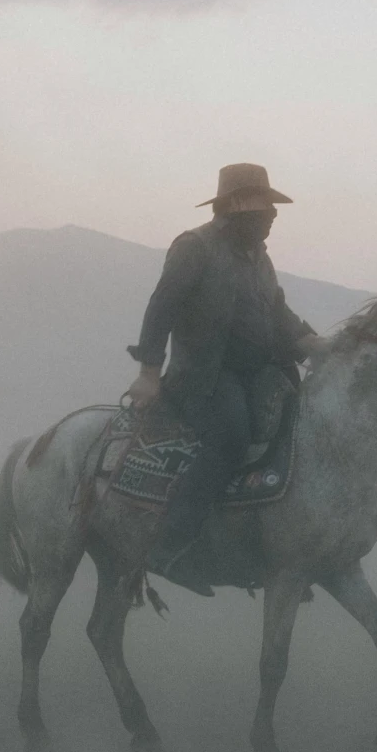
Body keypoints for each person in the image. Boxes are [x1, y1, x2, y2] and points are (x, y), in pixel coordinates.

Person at [127, 164, 326, 577]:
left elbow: (277, 312)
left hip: (258, 372)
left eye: (272, 208)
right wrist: (149, 373)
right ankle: (171, 546)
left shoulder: (259, 256)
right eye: (264, 206)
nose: (272, 215)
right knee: (231, 438)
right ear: (235, 206)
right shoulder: (194, 247)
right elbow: (161, 306)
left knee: (298, 427)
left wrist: (316, 347)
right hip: (204, 376)